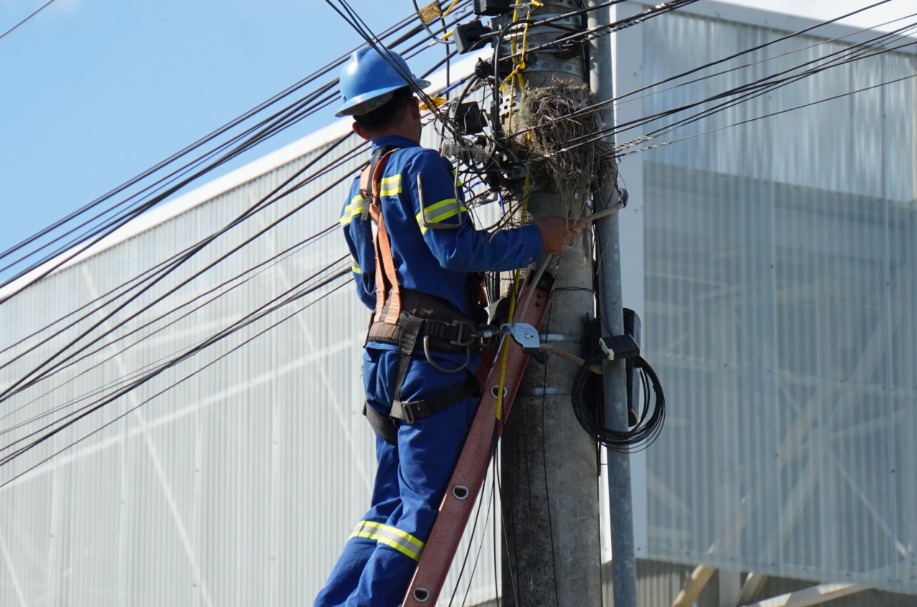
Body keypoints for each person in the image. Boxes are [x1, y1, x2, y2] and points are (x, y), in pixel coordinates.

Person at [314, 46, 581, 607]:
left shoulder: (357, 194)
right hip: (433, 361)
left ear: (359, 129)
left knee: (384, 508)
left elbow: (370, 288)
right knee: (416, 509)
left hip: (384, 358)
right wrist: (540, 237)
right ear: (413, 106)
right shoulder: (423, 168)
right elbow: (454, 247)